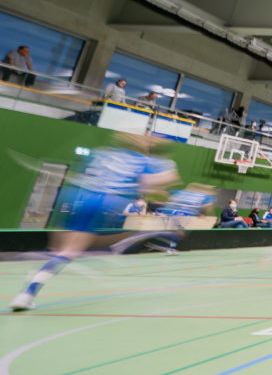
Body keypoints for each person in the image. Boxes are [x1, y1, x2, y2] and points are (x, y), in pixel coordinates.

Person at [11, 133, 178, 311]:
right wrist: (155, 189)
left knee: (61, 250)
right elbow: (167, 179)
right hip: (108, 202)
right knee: (128, 231)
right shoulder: (148, 161)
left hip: (77, 197)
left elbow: (88, 175)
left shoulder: (102, 153)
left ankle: (35, 282)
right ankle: (30, 290)